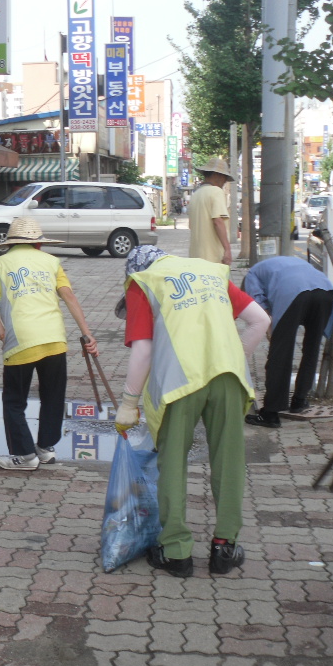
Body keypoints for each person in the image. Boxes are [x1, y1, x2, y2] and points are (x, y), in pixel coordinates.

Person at [114, 245, 269, 578]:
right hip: (228, 376)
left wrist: (129, 402)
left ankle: (176, 553)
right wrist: (228, 355)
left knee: (173, 461)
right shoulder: (212, 272)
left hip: (180, 381)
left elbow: (143, 350)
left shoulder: (143, 281)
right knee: (228, 461)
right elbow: (261, 321)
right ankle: (225, 549)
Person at [0, 216, 98, 470]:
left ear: (9, 244)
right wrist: (87, 334)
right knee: (53, 396)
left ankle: (24, 456)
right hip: (54, 338)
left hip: (21, 340)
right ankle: (46, 448)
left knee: (14, 400)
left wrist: (2, 332)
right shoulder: (52, 262)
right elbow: (68, 296)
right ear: (38, 244)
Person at [242, 256, 333, 427]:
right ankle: (299, 400)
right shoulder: (284, 263)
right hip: (326, 291)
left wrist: (272, 331)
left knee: (281, 353)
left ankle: (270, 413)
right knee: (312, 348)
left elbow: (258, 306)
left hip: (294, 292)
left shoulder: (251, 275)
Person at [189, 158, 234, 266]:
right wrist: (227, 249)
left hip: (195, 257)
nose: (224, 182)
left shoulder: (196, 195)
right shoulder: (216, 192)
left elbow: (191, 225)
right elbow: (218, 221)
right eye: (224, 178)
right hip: (213, 258)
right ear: (217, 175)